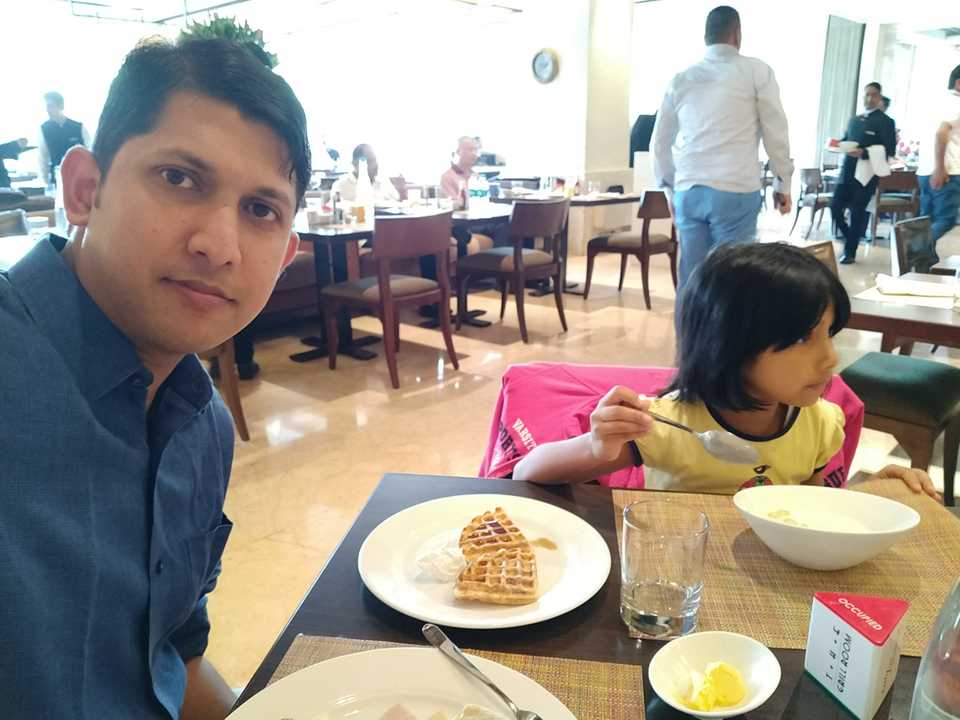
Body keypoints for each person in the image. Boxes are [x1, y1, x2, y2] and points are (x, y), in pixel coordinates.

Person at [0, 36, 310, 719]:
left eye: (260, 210)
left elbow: (171, 657)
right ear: (85, 189)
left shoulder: (203, 425)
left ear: (284, 256)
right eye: (178, 178)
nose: (218, 245)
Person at [513, 243, 939, 500]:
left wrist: (875, 495)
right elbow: (526, 473)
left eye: (829, 334)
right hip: (680, 575)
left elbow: (811, 513)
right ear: (729, 346)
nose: (830, 359)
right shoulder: (669, 425)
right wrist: (596, 447)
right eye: (801, 339)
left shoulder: (821, 422)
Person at [651, 6, 793, 292]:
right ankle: (725, 338)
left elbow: (659, 142)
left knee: (691, 279)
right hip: (735, 189)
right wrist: (783, 182)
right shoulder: (756, 71)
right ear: (737, 34)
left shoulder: (681, 79)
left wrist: (668, 187)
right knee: (730, 282)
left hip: (689, 191)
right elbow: (774, 130)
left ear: (706, 37)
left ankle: (689, 337)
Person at [830, 82, 897, 264]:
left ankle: (850, 252)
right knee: (835, 207)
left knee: (857, 212)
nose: (869, 98)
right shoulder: (855, 120)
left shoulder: (886, 122)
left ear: (879, 98)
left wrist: (865, 152)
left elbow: (889, 150)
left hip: (867, 173)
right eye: (867, 95)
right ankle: (852, 238)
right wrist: (836, 144)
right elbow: (846, 140)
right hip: (847, 171)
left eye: (873, 95)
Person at [918, 64, 960, 252]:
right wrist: (940, 168)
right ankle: (914, 248)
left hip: (926, 171)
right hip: (946, 172)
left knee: (927, 220)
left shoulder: (935, 103)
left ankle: (923, 262)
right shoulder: (956, 104)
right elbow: (941, 133)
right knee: (946, 219)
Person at [39, 91, 90, 185]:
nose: (48, 110)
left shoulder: (78, 127)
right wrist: (46, 182)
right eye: (46, 106)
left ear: (61, 106)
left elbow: (89, 153)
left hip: (80, 178)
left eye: (51, 106)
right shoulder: (44, 129)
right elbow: (43, 158)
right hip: (58, 180)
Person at [331, 143, 400, 203]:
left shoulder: (383, 181)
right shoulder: (341, 185)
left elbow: (397, 201)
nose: (375, 165)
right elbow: (334, 210)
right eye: (370, 161)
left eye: (375, 160)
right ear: (355, 164)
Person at [441, 135, 479, 208]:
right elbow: (454, 206)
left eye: (476, 150)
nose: (474, 154)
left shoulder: (477, 177)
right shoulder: (447, 177)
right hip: (460, 218)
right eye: (470, 150)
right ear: (458, 152)